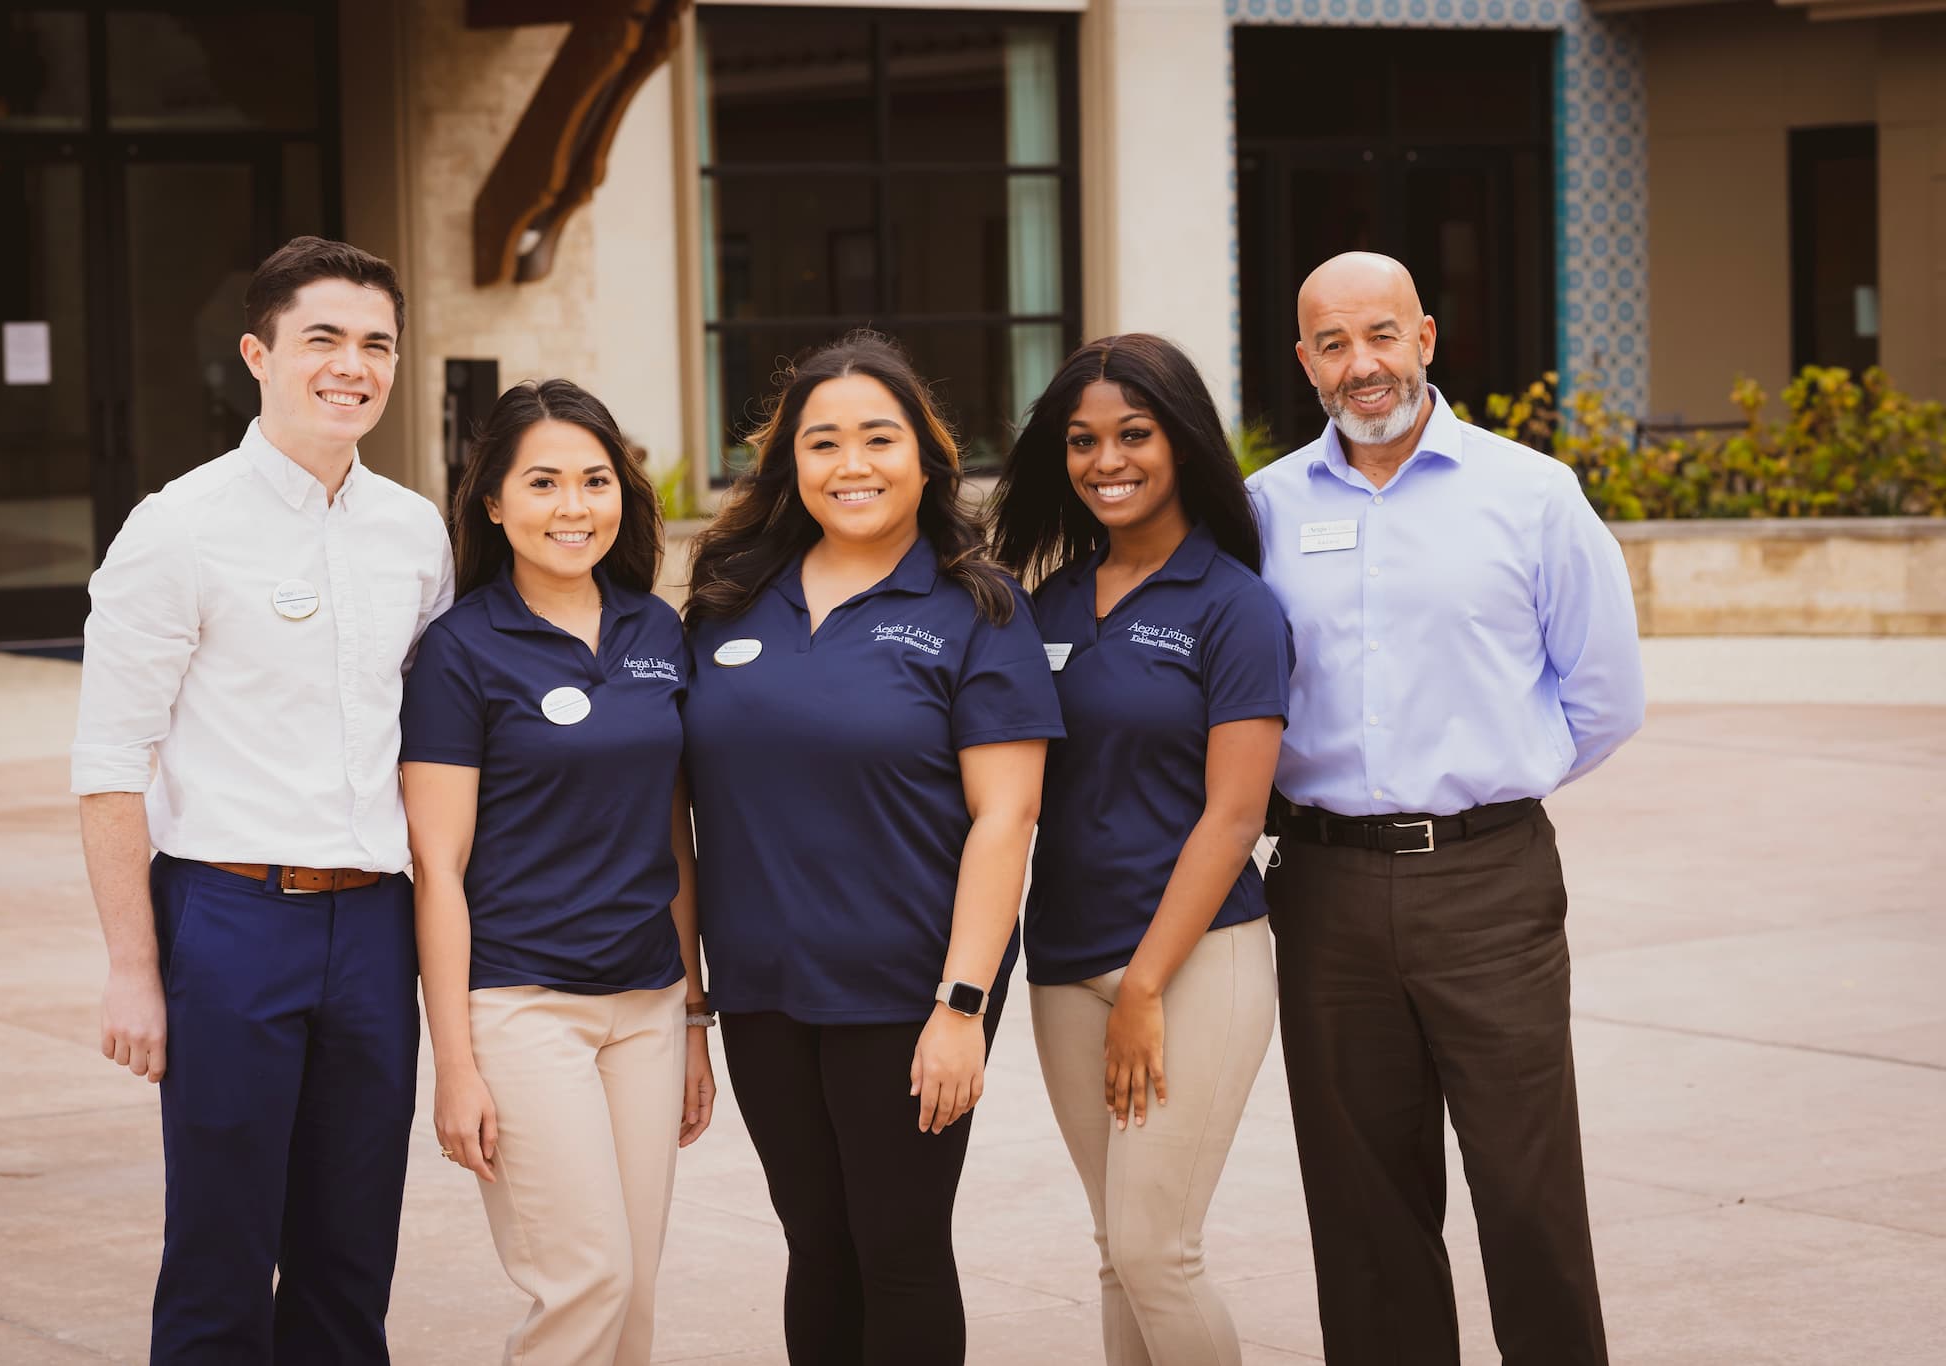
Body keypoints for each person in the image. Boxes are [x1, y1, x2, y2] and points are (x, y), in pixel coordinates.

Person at [1247, 251, 1643, 1366]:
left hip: (1488, 881)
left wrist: (1483, 793)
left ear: (1424, 337)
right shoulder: (1262, 510)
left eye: (1379, 335)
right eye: (1332, 343)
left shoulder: (1529, 496)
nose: (1360, 365)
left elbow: (1603, 697)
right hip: (1321, 888)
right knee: (1362, 1209)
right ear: (1304, 361)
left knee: (1526, 1194)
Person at [70, 236, 452, 1362]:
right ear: (258, 353)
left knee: (350, 1258)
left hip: (375, 924)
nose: (352, 365)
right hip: (228, 919)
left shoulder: (414, 532)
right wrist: (134, 968)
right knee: (222, 1252)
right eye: (322, 338)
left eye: (375, 343)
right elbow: (107, 762)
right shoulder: (177, 527)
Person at [679, 331, 1063, 1366]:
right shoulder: (725, 597)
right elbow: (673, 801)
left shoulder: (976, 606)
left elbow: (1005, 817)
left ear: (928, 458)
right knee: (817, 1244)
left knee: (897, 1249)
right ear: (786, 463)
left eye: (877, 438)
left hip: (905, 994)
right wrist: (690, 1002)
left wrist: (961, 1008)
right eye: (822, 442)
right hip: (760, 989)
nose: (851, 465)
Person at [990, 333, 1291, 1366]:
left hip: (1191, 960)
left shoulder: (1233, 604)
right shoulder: (1047, 603)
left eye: (1132, 434)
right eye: (1080, 441)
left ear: (1181, 442)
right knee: (1118, 1250)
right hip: (1065, 960)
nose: (1104, 460)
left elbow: (1233, 814)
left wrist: (1146, 986)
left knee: (1158, 1251)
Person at [400, 379, 714, 1366]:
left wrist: (694, 1014)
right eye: (542, 483)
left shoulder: (655, 632)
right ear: (492, 500)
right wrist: (454, 1063)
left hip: (647, 1006)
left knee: (637, 1298)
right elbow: (434, 865)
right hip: (521, 1007)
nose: (573, 507)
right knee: (582, 1284)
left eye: (594, 480)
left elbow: (674, 834)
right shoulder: (459, 651)